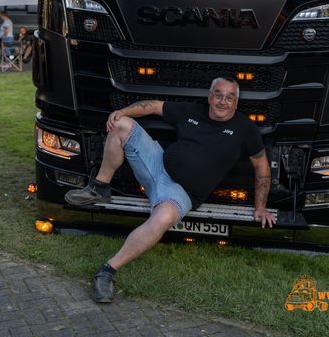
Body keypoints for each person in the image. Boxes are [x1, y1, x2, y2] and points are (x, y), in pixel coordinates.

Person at [64, 77, 276, 303]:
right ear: (209, 97)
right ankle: (99, 187)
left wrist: (260, 206)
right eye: (218, 95)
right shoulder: (192, 111)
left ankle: (107, 271)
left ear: (236, 102)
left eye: (229, 97)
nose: (223, 101)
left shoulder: (245, 129)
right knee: (122, 124)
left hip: (180, 193)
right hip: (157, 165)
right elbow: (154, 106)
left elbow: (261, 164)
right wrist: (121, 111)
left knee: (164, 217)